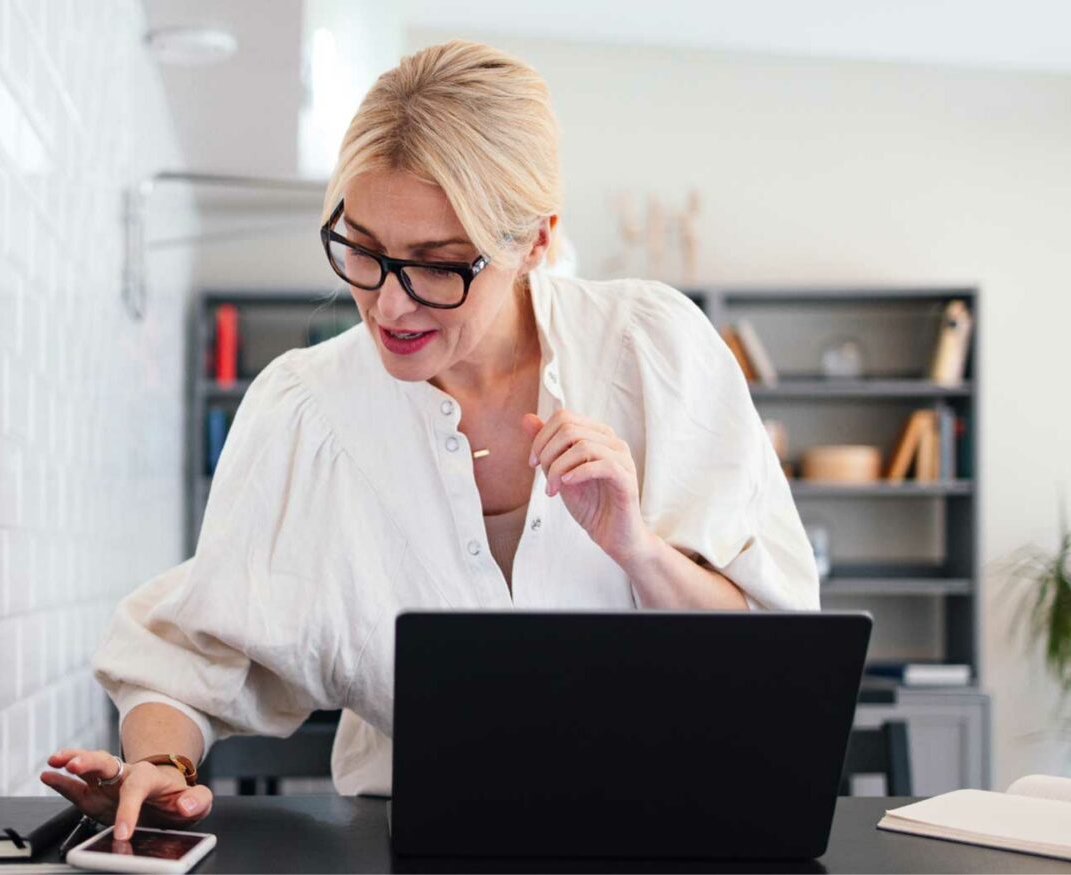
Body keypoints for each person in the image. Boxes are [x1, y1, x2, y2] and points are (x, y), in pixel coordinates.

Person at [40, 39, 820, 840]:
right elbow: (192, 650)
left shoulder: (654, 352)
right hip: (412, 841)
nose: (387, 306)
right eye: (364, 250)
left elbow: (770, 651)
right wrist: (160, 769)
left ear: (538, 241)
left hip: (672, 834)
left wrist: (640, 550)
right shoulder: (306, 411)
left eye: (437, 265)